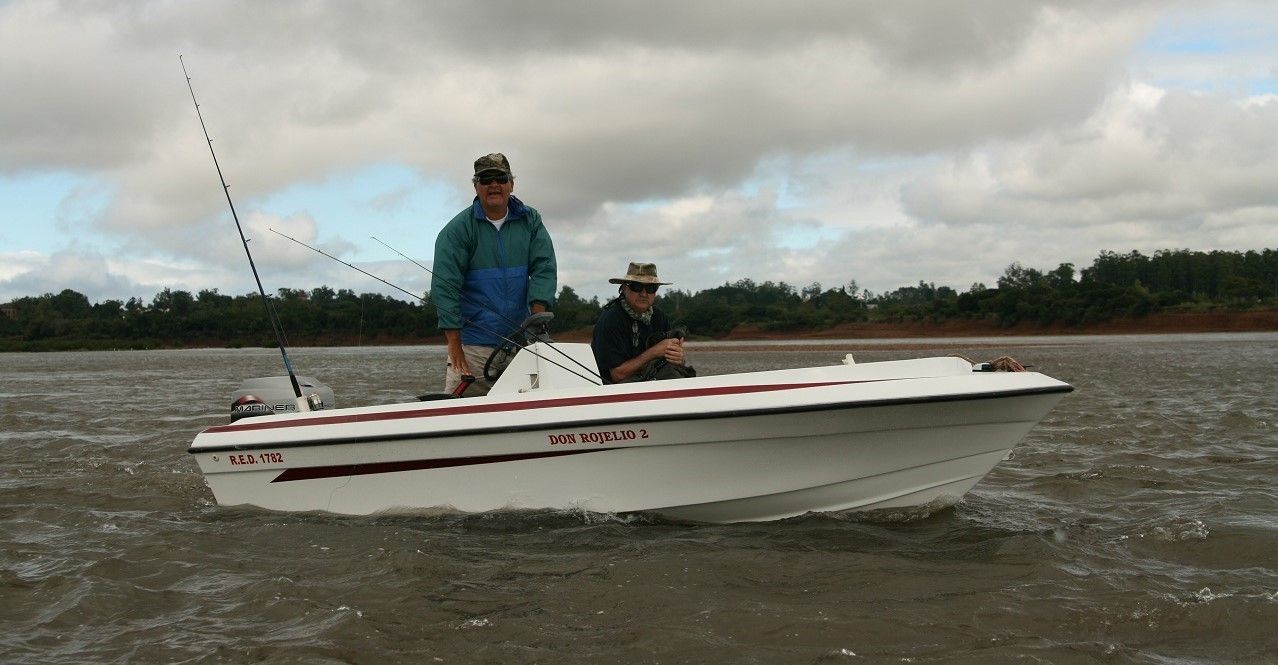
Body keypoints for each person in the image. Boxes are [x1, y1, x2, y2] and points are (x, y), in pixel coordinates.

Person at [431, 153, 557, 396]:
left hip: (522, 345)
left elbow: (544, 269)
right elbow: (445, 288)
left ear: (511, 183)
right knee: (459, 418)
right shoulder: (457, 230)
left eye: (500, 178)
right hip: (473, 348)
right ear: (476, 186)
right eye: (486, 180)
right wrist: (454, 346)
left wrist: (537, 323)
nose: (494, 185)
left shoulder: (531, 220)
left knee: (533, 414)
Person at [591, 262, 694, 384]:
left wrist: (678, 358)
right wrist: (654, 352)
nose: (644, 294)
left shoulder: (659, 317)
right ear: (624, 288)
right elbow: (617, 375)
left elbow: (671, 362)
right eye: (636, 287)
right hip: (612, 392)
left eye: (650, 288)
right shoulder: (610, 319)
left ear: (655, 291)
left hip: (651, 384)